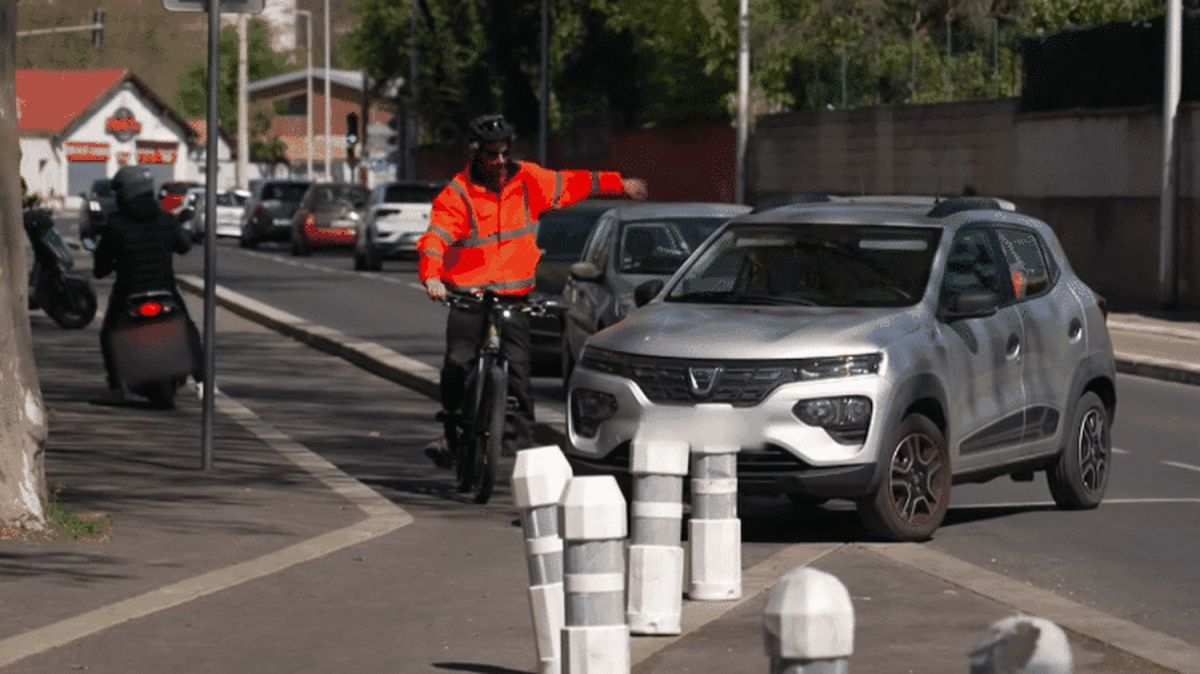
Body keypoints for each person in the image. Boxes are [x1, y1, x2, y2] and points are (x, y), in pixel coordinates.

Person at [419, 113, 648, 468]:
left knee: (520, 374)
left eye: (502, 154)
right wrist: (432, 276)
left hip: (513, 295)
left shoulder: (528, 181)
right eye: (490, 154)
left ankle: (518, 447)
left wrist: (621, 185)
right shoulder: (459, 193)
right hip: (469, 294)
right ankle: (451, 429)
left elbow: (575, 182)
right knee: (456, 362)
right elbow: (435, 238)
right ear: (476, 152)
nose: (497, 162)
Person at [94, 166, 204, 403]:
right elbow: (184, 246)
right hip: (164, 289)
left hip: (128, 293)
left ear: (125, 193)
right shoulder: (165, 219)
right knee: (189, 330)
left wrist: (104, 266)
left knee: (108, 333)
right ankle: (203, 380)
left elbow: (100, 266)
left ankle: (115, 387)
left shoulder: (115, 224)